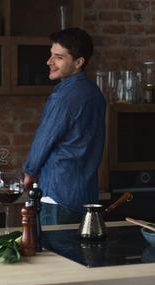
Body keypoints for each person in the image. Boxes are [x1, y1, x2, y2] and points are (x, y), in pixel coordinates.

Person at [22, 28, 106, 225]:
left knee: (53, 254)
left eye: (58, 57)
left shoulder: (64, 96)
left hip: (57, 195)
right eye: (51, 55)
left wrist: (29, 172)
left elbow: (45, 138)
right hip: (85, 195)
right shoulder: (95, 94)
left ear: (78, 62)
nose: (49, 62)